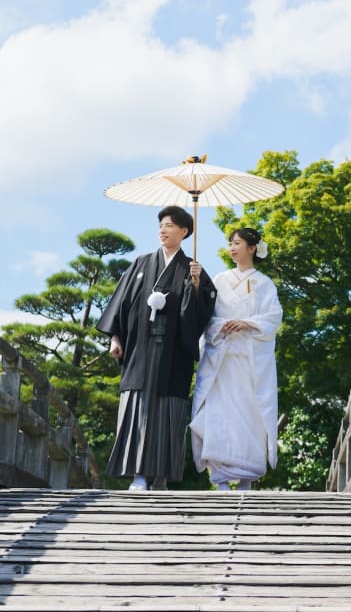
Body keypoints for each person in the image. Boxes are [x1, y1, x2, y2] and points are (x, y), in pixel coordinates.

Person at [98, 205, 215, 491]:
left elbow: (201, 313)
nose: (163, 230)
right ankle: (138, 475)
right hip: (140, 349)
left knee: (167, 411)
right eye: (161, 225)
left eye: (170, 226)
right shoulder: (141, 264)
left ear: (184, 232)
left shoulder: (192, 270)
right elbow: (121, 305)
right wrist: (115, 338)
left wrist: (196, 286)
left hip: (173, 353)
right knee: (138, 407)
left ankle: (161, 476)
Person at [190, 227, 283, 490]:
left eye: (238, 243)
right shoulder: (219, 279)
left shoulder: (264, 283)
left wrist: (247, 323)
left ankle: (246, 477)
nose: (232, 247)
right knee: (219, 415)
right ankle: (219, 478)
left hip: (249, 362)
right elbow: (205, 314)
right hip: (222, 360)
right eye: (230, 243)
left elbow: (273, 317)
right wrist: (197, 284)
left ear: (252, 248)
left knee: (250, 416)